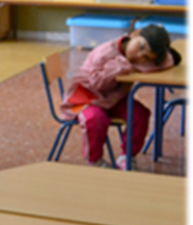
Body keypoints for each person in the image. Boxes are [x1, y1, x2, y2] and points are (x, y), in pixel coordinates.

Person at [59, 24, 181, 170]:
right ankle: (94, 161)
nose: (139, 56)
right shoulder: (105, 52)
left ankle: (127, 157)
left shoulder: (137, 59)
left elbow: (169, 60)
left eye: (147, 58)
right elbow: (96, 83)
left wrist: (135, 65)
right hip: (86, 98)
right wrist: (123, 65)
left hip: (112, 99)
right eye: (141, 47)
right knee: (95, 119)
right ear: (135, 34)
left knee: (140, 115)